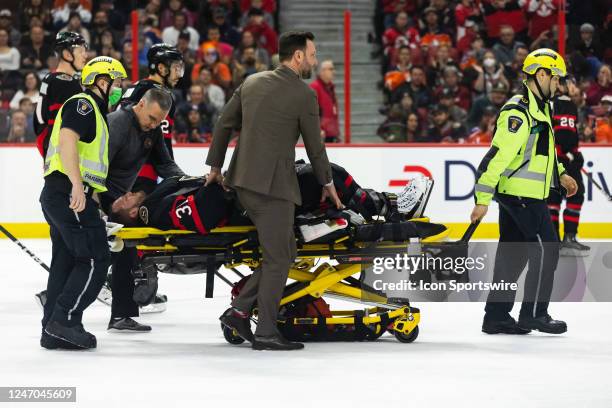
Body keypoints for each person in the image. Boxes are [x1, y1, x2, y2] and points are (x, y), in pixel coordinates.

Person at [205, 31, 341, 351]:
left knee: (284, 253)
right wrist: (328, 183)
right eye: (311, 54)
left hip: (241, 182)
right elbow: (315, 147)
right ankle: (264, 331)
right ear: (297, 57)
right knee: (280, 258)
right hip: (272, 189)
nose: (314, 60)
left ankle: (239, 312)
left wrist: (215, 167)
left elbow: (224, 123)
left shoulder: (251, 83)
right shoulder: (304, 95)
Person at [471, 48, 578, 336]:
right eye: (555, 79)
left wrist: (562, 172)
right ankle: (534, 314)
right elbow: (496, 158)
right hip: (521, 196)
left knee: (513, 255)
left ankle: (496, 317)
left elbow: (541, 153)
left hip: (520, 194)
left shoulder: (541, 108)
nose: (558, 85)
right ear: (540, 75)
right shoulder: (518, 111)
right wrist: (481, 199)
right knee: (547, 251)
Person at [39, 56, 127, 350]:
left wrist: (97, 201)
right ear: (102, 82)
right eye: (117, 83)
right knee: (93, 258)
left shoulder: (96, 113)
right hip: (68, 192)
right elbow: (67, 141)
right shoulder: (84, 104)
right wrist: (78, 186)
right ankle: (64, 321)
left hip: (64, 193)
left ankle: (52, 328)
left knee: (65, 262)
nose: (119, 89)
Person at [110, 163, 422, 231]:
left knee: (313, 174)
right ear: (134, 215)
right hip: (249, 206)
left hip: (249, 194)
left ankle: (382, 203)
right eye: (121, 204)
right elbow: (203, 215)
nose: (124, 196)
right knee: (321, 175)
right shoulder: (158, 211)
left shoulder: (155, 198)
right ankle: (389, 209)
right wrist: (224, 183)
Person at [100, 87, 186, 332]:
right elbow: (96, 168)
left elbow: (164, 163)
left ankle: (122, 315)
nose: (154, 125)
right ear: (140, 105)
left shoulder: (153, 128)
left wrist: (187, 182)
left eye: (159, 121)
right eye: (152, 118)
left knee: (126, 253)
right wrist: (107, 204)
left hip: (120, 199)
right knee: (106, 255)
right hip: (100, 195)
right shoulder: (117, 124)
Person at [548, 78, 590, 256]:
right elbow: (561, 134)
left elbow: (569, 133)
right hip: (559, 159)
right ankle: (556, 239)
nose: (575, 87)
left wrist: (575, 153)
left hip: (565, 159)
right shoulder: (557, 104)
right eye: (571, 84)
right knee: (556, 198)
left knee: (569, 196)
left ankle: (564, 239)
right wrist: (568, 153)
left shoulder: (570, 105)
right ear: (560, 85)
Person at [34, 32, 88, 158]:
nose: (85, 55)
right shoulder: (64, 82)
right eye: (80, 51)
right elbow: (62, 127)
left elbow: (41, 120)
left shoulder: (53, 77)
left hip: (52, 153)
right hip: (62, 158)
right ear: (67, 54)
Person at [310, 60, 340, 143]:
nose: (333, 71)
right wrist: (317, 130)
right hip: (321, 135)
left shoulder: (330, 87)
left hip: (331, 134)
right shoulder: (315, 87)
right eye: (330, 69)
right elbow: (310, 111)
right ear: (322, 71)